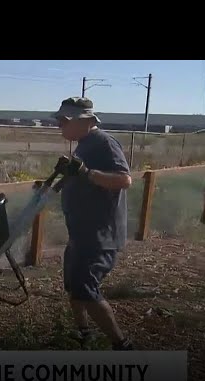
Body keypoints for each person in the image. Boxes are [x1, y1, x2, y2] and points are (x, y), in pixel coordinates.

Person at [51, 97, 134, 350]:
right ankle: (85, 334)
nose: (60, 126)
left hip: (100, 233)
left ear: (84, 121)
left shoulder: (104, 143)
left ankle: (122, 345)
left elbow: (124, 179)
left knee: (85, 288)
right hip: (81, 231)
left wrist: (88, 173)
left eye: (64, 121)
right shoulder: (83, 145)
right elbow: (78, 177)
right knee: (74, 285)